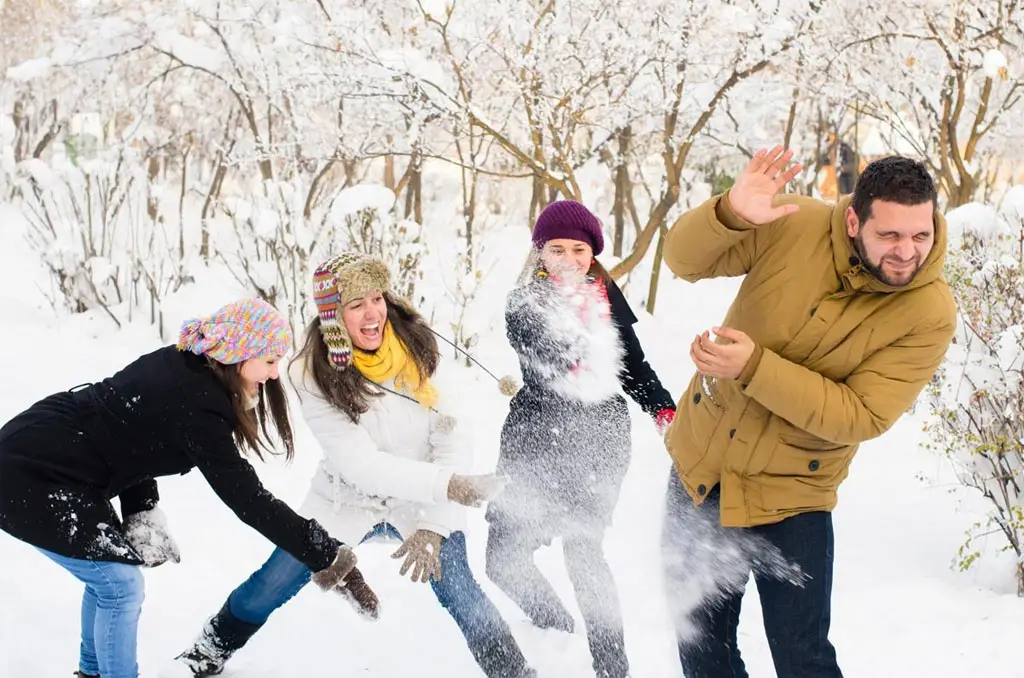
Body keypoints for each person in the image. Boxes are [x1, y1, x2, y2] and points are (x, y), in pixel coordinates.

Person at [659, 145, 957, 677]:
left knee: (803, 660)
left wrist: (753, 367)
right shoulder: (794, 226)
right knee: (701, 647)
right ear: (852, 219)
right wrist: (730, 215)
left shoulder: (929, 311)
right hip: (702, 472)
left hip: (794, 496)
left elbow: (861, 414)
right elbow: (682, 261)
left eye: (920, 235)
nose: (906, 252)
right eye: (888, 235)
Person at [174, 252, 535, 678]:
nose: (372, 314)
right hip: (346, 497)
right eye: (355, 304)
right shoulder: (310, 371)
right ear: (333, 317)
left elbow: (452, 435)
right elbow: (359, 464)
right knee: (275, 579)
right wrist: (449, 485)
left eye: (377, 298)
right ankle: (205, 654)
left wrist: (437, 522)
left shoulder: (419, 348)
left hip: (424, 499)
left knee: (460, 590)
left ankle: (515, 673)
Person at [0, 298, 373, 678]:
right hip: (31, 470)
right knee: (120, 586)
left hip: (53, 453)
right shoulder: (199, 404)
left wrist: (140, 510)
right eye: (270, 360)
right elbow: (249, 500)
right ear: (240, 354)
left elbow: (131, 431)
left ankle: (92, 673)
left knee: (110, 578)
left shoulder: (186, 364)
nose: (275, 374)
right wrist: (326, 554)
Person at [484, 200, 677, 678]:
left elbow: (632, 367)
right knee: (502, 558)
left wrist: (664, 409)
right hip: (535, 435)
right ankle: (554, 627)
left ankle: (614, 669)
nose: (568, 259)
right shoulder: (523, 303)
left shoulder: (607, 296)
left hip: (598, 435)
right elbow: (550, 354)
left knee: (583, 549)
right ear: (539, 253)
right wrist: (582, 317)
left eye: (579, 249)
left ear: (592, 255)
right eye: (556, 249)